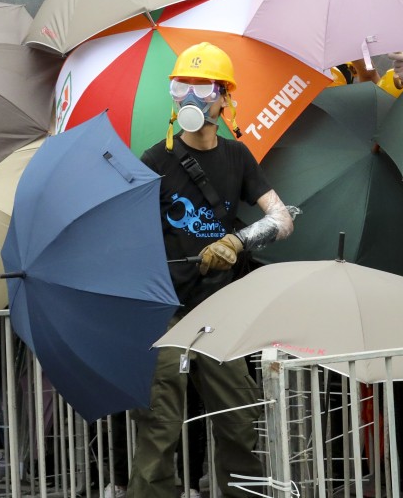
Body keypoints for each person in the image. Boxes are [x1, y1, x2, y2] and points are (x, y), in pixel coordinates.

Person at [126, 42, 297, 498]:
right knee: (159, 425)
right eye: (180, 87)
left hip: (221, 312)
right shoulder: (154, 161)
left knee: (240, 421)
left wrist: (236, 241)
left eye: (201, 89)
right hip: (166, 313)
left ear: (224, 98)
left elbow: (283, 218)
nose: (189, 100)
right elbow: (132, 237)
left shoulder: (237, 157)